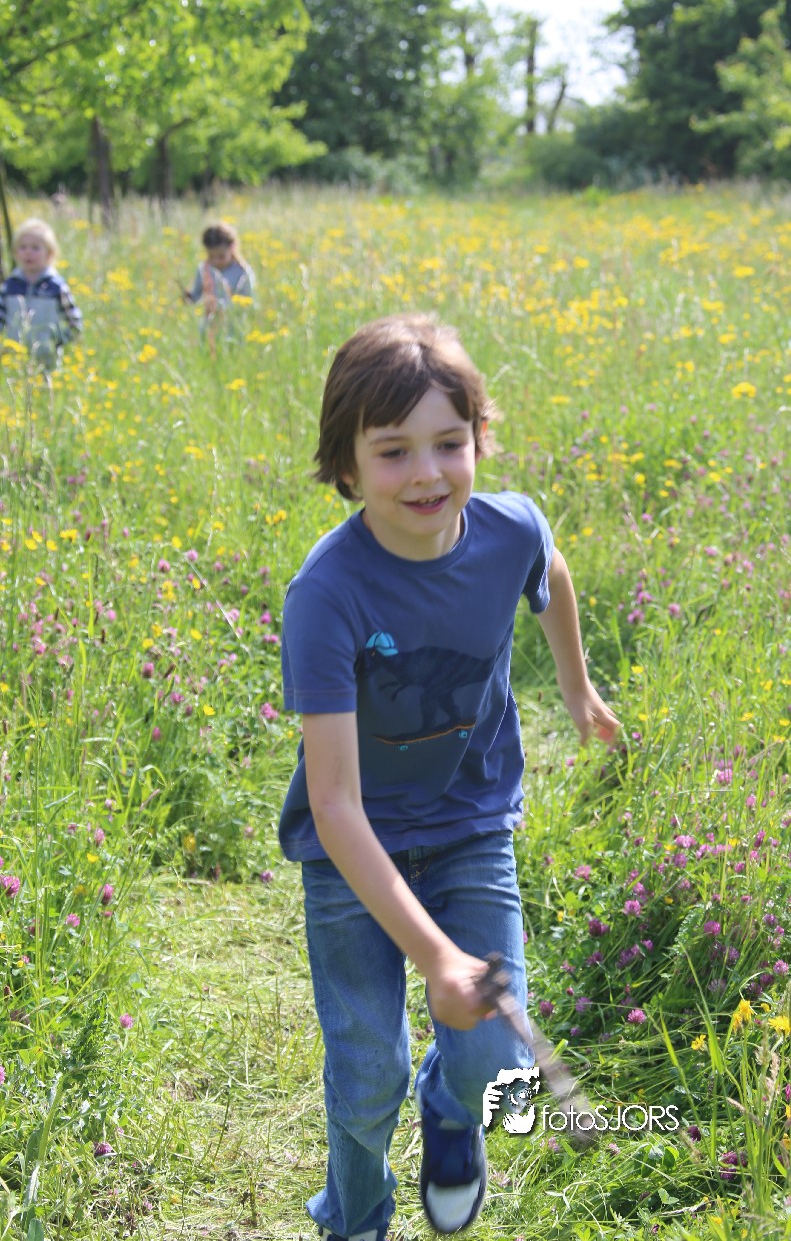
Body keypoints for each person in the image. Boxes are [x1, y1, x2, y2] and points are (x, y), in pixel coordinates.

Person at [280, 313, 619, 1241]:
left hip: (470, 823)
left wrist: (576, 687)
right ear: (346, 465)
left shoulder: (508, 531)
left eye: (448, 443)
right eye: (393, 451)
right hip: (352, 850)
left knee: (494, 1062)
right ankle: (354, 1214)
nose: (427, 473)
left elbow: (547, 567)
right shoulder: (327, 594)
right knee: (366, 1075)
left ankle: (449, 1110)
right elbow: (334, 804)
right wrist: (435, 959)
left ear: (479, 437)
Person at [0, 218, 82, 370]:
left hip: (48, 363)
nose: (28, 252)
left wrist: (57, 342)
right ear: (15, 252)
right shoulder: (9, 286)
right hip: (15, 362)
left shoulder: (56, 287)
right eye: (22, 247)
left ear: (49, 254)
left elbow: (75, 321)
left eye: (35, 248)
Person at [183, 222, 254, 346]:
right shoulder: (204, 268)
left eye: (221, 256)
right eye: (211, 256)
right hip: (209, 328)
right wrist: (189, 298)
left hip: (233, 331)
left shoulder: (242, 272)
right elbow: (196, 295)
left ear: (232, 248)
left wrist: (226, 308)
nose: (215, 261)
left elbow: (248, 301)